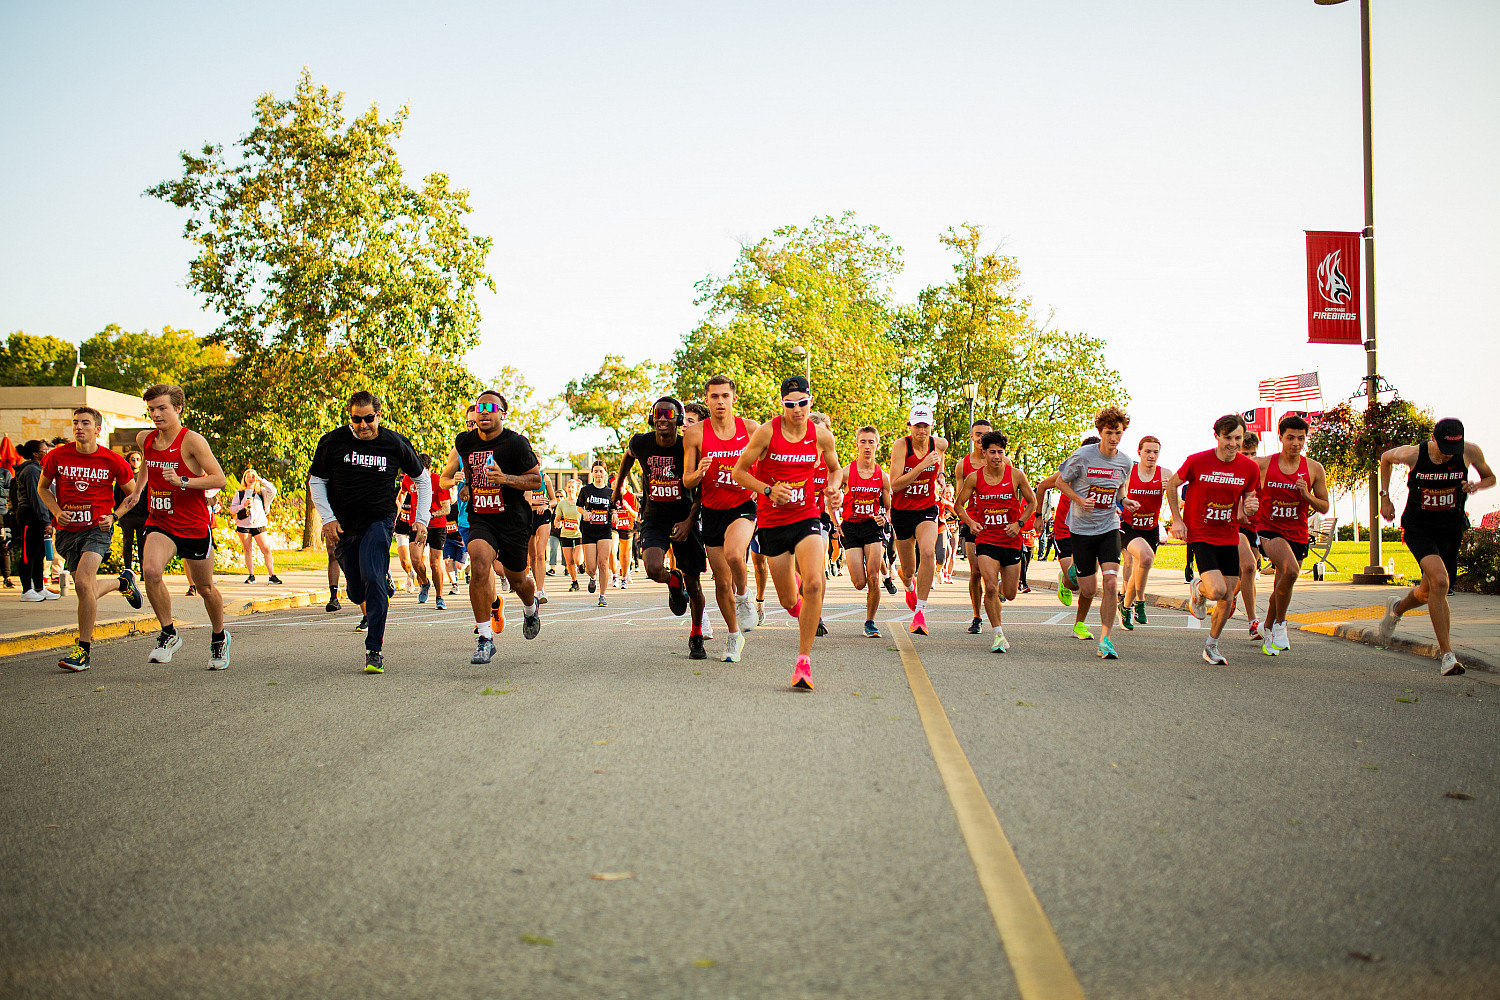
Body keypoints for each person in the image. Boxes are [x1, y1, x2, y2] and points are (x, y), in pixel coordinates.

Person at [732, 375, 843, 689]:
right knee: (786, 599)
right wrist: (768, 490)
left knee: (815, 582)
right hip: (773, 521)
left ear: (811, 401)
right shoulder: (767, 433)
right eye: (790, 405)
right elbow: (740, 471)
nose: (797, 410)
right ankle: (797, 607)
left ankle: (803, 662)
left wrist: (833, 490)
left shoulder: (821, 436)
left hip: (807, 514)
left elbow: (834, 470)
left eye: (803, 404)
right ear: (782, 405)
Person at [1377, 418, 1495, 676]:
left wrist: (1475, 485)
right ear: (1433, 438)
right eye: (1442, 448)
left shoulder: (1470, 451)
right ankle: (1447, 655)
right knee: (1440, 582)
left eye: (1452, 449)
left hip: (1450, 529)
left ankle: (1396, 609)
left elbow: (1490, 477)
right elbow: (1385, 458)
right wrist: (1384, 498)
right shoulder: (1413, 453)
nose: (1446, 455)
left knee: (1428, 591)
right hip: (1419, 527)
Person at [439, 390, 543, 663]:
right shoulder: (464, 442)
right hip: (481, 518)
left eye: (490, 407)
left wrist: (505, 478)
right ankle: (485, 638)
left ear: (502, 414)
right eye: (479, 407)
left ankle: (530, 608)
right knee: (479, 562)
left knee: (519, 580)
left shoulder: (516, 444)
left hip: (513, 521)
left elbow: (535, 481)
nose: (484, 411)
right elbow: (459, 477)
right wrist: (464, 488)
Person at [132, 384, 231, 669]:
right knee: (151, 571)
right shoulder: (145, 439)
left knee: (205, 588)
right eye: (151, 409)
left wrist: (183, 482)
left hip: (193, 524)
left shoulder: (192, 441)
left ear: (178, 408)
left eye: (162, 408)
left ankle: (219, 637)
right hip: (160, 520)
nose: (156, 414)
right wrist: (138, 490)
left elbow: (218, 479)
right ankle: (168, 633)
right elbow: (147, 466)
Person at [39, 408, 144, 671]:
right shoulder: (57, 456)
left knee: (84, 582)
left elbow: (133, 495)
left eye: (85, 423)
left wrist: (115, 516)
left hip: (97, 529)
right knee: (85, 588)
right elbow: (42, 488)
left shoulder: (112, 460)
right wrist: (56, 511)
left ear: (98, 429)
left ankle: (83, 650)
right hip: (66, 531)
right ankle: (122, 582)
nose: (79, 427)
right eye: (75, 423)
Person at [614, 397, 708, 658]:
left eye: (668, 413)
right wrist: (618, 487)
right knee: (654, 568)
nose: (662, 418)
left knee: (695, 584)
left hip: (684, 516)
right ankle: (672, 580)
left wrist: (690, 521)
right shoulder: (641, 442)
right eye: (658, 413)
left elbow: (703, 489)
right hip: (654, 516)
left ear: (679, 420)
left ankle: (697, 633)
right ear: (651, 418)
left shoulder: (688, 447)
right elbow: (628, 456)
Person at [1165, 413, 1261, 665]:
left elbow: (1247, 502)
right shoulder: (1197, 461)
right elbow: (1171, 485)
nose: (1232, 443)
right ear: (1216, 436)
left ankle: (1211, 646)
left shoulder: (1249, 467)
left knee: (1228, 597)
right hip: (1200, 533)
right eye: (1227, 438)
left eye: (1237, 438)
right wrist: (1177, 520)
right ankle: (1199, 588)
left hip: (1228, 534)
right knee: (1217, 591)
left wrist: (1251, 506)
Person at [683, 375, 759, 661]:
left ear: (733, 399)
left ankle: (744, 597)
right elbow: (687, 480)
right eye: (714, 396)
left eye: (725, 396)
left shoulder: (750, 429)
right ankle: (733, 635)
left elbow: (767, 464)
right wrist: (698, 473)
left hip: (741, 506)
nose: (720, 401)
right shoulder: (696, 434)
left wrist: (760, 487)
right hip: (712, 510)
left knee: (735, 555)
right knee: (720, 582)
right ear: (707, 400)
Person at [1055, 407, 1136, 659]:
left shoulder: (1125, 462)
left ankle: (1105, 639)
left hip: (1109, 527)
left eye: (1118, 433)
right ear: (1100, 432)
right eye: (1109, 432)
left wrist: (1126, 502)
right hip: (1081, 530)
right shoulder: (1082, 456)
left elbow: (1120, 493)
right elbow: (1060, 482)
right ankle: (1076, 604)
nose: (1114, 438)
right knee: (1087, 589)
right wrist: (1079, 499)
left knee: (1111, 582)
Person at [1254, 414, 1330, 656]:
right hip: (1269, 528)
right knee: (1291, 571)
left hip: (1297, 532)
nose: (1295, 443)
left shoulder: (1314, 468)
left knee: (1282, 584)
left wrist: (1306, 495)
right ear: (1281, 438)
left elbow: (1324, 506)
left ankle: (1267, 629)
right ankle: (1280, 625)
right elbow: (1237, 470)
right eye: (1290, 438)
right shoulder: (1265, 464)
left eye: (1300, 438)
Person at [955, 430, 1037, 653]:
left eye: (1000, 452)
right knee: (990, 586)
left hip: (1010, 540)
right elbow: (959, 505)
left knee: (1009, 593)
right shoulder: (975, 478)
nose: (997, 456)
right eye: (992, 452)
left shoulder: (1016, 475)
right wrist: (971, 523)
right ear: (984, 453)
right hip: (987, 539)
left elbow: (1032, 502)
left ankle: (1001, 597)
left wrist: (1019, 523)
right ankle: (998, 635)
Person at [889, 405, 947, 635]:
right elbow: (895, 484)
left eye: (925, 426)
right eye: (917, 426)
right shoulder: (901, 446)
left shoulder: (938, 444)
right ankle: (908, 586)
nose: (921, 431)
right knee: (908, 569)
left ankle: (920, 613)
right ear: (909, 426)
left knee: (928, 552)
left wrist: (940, 474)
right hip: (902, 511)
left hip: (926, 508)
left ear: (931, 427)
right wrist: (922, 466)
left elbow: (942, 452)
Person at [831, 425, 891, 637]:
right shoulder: (846, 472)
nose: (867, 446)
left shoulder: (882, 476)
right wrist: (835, 523)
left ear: (877, 445)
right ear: (857, 444)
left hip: (872, 528)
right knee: (859, 583)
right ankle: (884, 571)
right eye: (863, 442)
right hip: (851, 528)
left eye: (871, 442)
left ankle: (870, 622)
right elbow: (830, 496)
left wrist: (884, 517)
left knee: (872, 577)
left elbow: (888, 509)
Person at [1118, 435, 1165, 629]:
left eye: (1155, 452)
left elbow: (1177, 502)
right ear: (1139, 452)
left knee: (1140, 568)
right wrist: (1122, 502)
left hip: (1150, 528)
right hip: (1129, 526)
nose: (1152, 455)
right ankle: (1141, 601)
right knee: (1144, 558)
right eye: (1148, 451)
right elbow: (1118, 494)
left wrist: (1169, 489)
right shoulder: (1129, 474)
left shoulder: (1165, 474)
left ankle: (1126, 607)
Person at [955, 419, 991, 634]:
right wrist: (969, 521)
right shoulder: (963, 465)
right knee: (976, 571)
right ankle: (977, 616)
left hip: (996, 522)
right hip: (973, 521)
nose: (981, 438)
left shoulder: (1002, 461)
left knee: (998, 574)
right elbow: (960, 501)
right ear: (971, 436)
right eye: (978, 434)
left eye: (986, 434)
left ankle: (999, 591)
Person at [13, 441, 55, 601]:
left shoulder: (39, 469)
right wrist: (45, 521)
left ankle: (39, 587)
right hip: (31, 516)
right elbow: (36, 498)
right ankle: (27, 590)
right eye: (45, 450)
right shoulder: (31, 470)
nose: (48, 452)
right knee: (28, 553)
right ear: (36, 454)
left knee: (40, 553)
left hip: (40, 516)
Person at [1234, 431, 1264, 640]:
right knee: (1249, 566)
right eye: (1245, 454)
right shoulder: (1231, 471)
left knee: (1247, 574)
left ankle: (1231, 595)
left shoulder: (1259, 470)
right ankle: (1253, 621)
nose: (1249, 458)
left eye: (1253, 453)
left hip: (1254, 527)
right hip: (1234, 525)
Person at [230, 467, 282, 585]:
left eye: (253, 476)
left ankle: (272, 575)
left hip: (259, 524)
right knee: (247, 550)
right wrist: (242, 505)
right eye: (248, 476)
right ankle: (251, 575)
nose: (251, 479)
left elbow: (273, 490)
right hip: (244, 525)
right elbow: (232, 510)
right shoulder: (240, 493)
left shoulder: (261, 492)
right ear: (244, 479)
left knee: (266, 549)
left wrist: (261, 480)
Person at [577, 462, 616, 607]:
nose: (598, 474)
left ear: (605, 473)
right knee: (590, 567)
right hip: (589, 530)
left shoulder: (610, 492)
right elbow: (579, 507)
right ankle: (592, 577)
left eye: (601, 471)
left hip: (605, 530)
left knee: (604, 563)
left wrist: (615, 514)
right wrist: (585, 512)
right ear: (592, 473)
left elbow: (613, 508)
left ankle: (602, 596)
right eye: (596, 471)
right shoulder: (586, 490)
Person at [115, 451, 148, 575]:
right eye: (133, 459)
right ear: (128, 460)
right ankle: (128, 570)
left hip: (143, 516)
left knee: (143, 544)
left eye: (138, 459)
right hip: (127, 516)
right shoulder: (124, 476)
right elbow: (116, 497)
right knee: (127, 543)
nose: (135, 462)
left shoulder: (144, 477)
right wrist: (117, 515)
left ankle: (144, 572)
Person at [527, 474, 554, 604]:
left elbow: (554, 500)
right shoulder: (523, 478)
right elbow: (519, 500)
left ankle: (540, 590)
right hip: (528, 517)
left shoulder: (545, 478)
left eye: (539, 461)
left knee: (540, 554)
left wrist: (546, 505)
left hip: (543, 516)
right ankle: (538, 584)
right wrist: (533, 501)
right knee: (531, 557)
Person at [555, 480, 583, 590]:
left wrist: (579, 527)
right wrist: (558, 523)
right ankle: (574, 582)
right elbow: (557, 520)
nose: (571, 489)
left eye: (573, 487)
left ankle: (582, 563)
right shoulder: (562, 504)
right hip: (565, 534)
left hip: (579, 533)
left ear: (576, 490)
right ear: (566, 489)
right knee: (569, 561)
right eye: (569, 487)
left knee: (577, 560)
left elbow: (585, 518)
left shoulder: (580, 502)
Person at [611, 481, 638, 588]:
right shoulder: (612, 495)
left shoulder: (631, 496)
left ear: (626, 484)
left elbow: (635, 514)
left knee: (624, 554)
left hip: (627, 526)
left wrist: (627, 507)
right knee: (612, 551)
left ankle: (624, 577)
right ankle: (614, 575)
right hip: (614, 526)